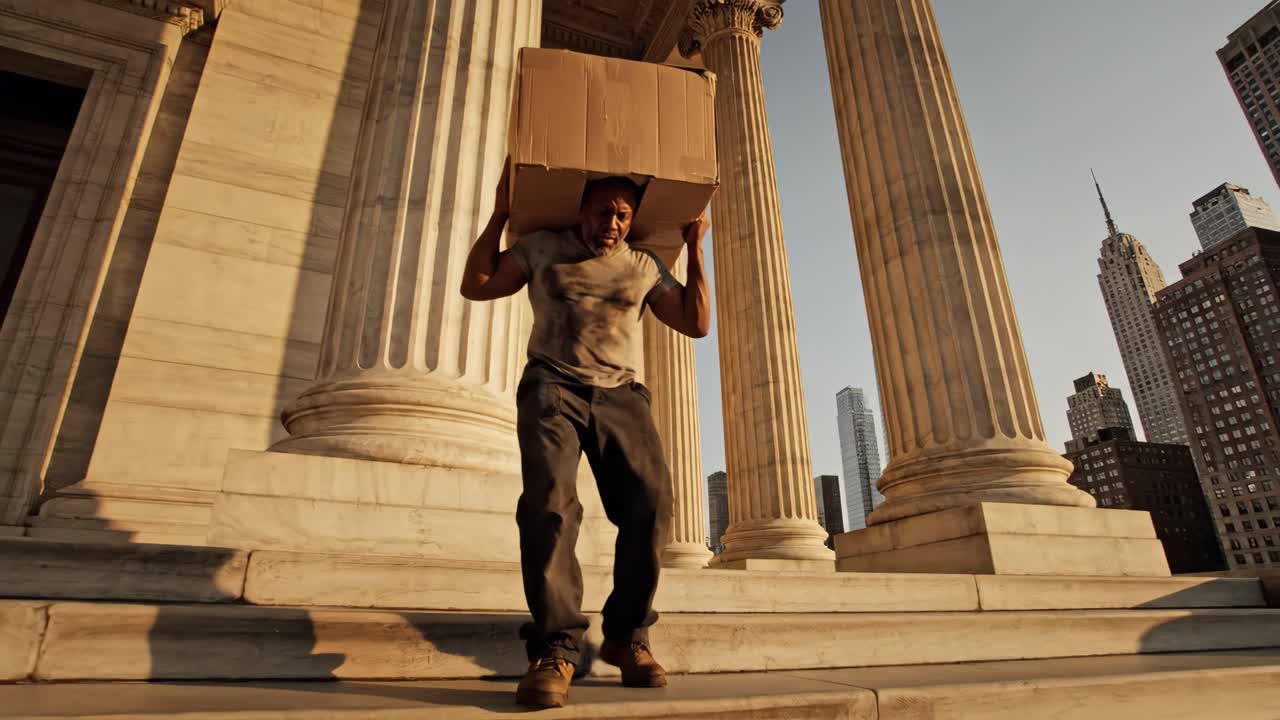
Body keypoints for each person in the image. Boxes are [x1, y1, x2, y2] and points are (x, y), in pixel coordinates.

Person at [460, 163, 711, 709]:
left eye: (623, 214)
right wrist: (500, 215)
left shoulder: (645, 265)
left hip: (622, 395)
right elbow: (476, 286)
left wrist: (694, 250)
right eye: (603, 211)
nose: (612, 223)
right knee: (550, 506)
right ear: (582, 210)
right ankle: (555, 647)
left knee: (651, 506)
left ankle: (626, 637)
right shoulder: (541, 247)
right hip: (553, 387)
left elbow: (695, 323)